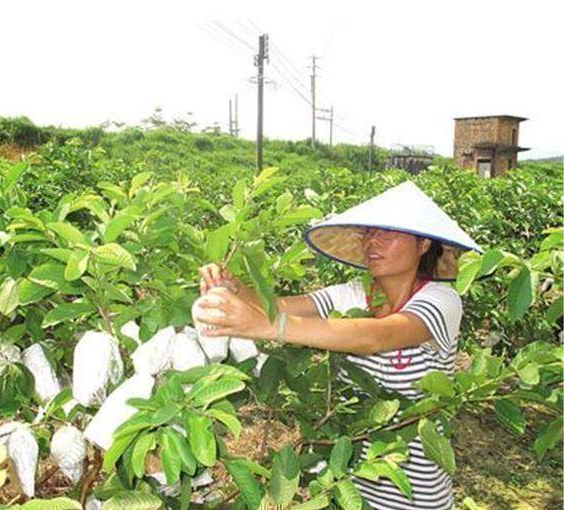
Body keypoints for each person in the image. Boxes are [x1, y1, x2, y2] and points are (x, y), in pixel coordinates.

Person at [196, 181, 482, 510]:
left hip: (413, 494)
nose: (373, 242)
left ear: (423, 244)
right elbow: (276, 306)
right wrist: (232, 285)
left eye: (387, 234)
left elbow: (375, 336)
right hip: (349, 486)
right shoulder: (353, 293)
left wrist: (267, 327)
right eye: (369, 233)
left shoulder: (442, 300)